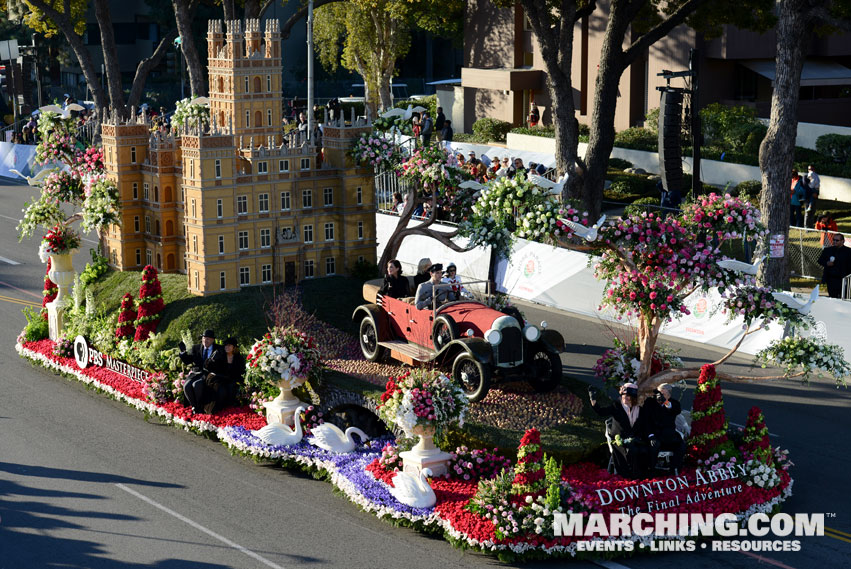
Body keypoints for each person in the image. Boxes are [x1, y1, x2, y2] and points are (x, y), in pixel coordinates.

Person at [589, 383, 651, 479]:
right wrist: (593, 400)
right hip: (619, 438)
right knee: (632, 450)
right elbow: (601, 412)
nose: (625, 398)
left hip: (635, 437)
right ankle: (630, 476)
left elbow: (644, 424)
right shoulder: (616, 405)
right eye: (624, 395)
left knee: (643, 449)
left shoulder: (639, 408)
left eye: (628, 396)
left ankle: (641, 474)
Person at [642, 383, 685, 473]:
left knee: (681, 446)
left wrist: (665, 401)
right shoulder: (650, 403)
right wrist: (650, 435)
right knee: (653, 446)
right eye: (659, 394)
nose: (659, 396)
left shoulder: (674, 403)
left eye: (663, 394)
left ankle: (674, 469)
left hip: (668, 435)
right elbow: (646, 421)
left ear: (669, 395)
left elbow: (675, 409)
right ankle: (651, 470)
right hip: (654, 434)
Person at [178, 330, 222, 413]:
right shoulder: (196, 347)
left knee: (196, 385)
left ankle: (200, 406)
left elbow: (222, 363)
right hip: (197, 372)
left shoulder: (218, 349)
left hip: (209, 374)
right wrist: (183, 353)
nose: (205, 340)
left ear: (213, 340)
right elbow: (188, 361)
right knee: (186, 385)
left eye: (208, 339)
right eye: (204, 338)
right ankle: (195, 407)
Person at [203, 338, 246, 414]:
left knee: (232, 387)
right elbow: (208, 367)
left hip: (232, 379)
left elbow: (241, 371)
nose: (227, 347)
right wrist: (212, 359)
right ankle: (214, 410)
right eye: (226, 346)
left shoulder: (238, 358)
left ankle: (229, 408)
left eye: (229, 346)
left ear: (234, 347)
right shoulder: (221, 355)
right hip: (220, 378)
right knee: (219, 389)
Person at [817, 233, 851, 299]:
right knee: (832, 297)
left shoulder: (848, 251)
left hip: (843, 279)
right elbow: (820, 260)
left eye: (837, 240)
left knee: (844, 298)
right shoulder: (828, 250)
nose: (835, 242)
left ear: (843, 241)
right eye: (834, 240)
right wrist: (827, 263)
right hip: (831, 278)